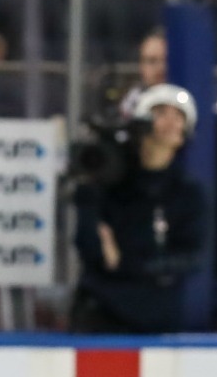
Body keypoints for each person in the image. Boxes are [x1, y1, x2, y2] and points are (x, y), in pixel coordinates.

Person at [72, 84, 207, 333]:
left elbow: (192, 256)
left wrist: (127, 263)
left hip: (155, 316)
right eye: (161, 112)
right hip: (101, 311)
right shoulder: (111, 182)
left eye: (178, 116)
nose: (170, 121)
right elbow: (89, 245)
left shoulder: (186, 192)